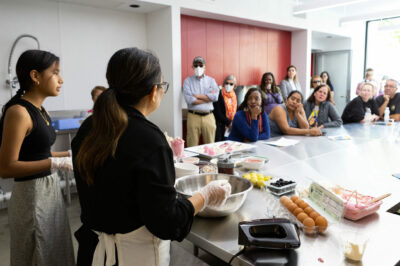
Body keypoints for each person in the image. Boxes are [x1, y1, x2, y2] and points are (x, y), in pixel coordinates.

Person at [71, 48, 231, 266]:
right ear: (153, 91)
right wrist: (205, 195)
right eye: (163, 86)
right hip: (130, 257)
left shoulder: (90, 126)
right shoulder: (149, 139)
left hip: (91, 252)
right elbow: (166, 222)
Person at [0, 50, 74, 266]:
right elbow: (6, 167)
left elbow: (38, 154)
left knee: (54, 247)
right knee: (38, 251)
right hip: (31, 194)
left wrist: (67, 155)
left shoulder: (41, 110)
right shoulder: (19, 112)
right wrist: (55, 162)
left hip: (49, 188)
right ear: (35, 76)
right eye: (55, 73)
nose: (61, 80)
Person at [183, 56, 219, 147]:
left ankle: (209, 162)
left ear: (205, 67)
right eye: (196, 65)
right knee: (192, 146)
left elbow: (215, 97)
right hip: (193, 116)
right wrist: (207, 98)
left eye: (200, 65)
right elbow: (190, 100)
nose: (198, 67)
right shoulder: (187, 81)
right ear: (192, 67)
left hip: (209, 116)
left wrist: (198, 96)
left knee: (210, 146)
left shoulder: (211, 81)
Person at [213, 75, 238, 141]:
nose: (228, 85)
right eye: (226, 83)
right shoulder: (219, 94)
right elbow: (217, 112)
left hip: (231, 125)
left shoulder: (234, 95)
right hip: (220, 125)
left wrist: (232, 122)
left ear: (234, 86)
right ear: (223, 84)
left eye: (231, 84)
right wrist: (228, 122)